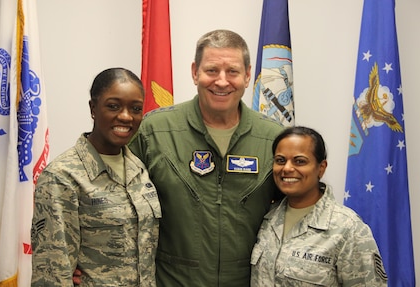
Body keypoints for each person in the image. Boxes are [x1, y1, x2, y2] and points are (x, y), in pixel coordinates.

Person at [128, 29, 284, 287]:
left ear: (247, 76)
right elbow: (114, 196)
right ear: (194, 72)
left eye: (232, 72)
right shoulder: (154, 130)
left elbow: (297, 209)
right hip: (173, 281)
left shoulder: (274, 138)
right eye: (212, 70)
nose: (222, 81)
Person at [31, 68, 161, 286]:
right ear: (93, 108)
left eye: (136, 108)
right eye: (113, 106)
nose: (126, 116)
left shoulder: (139, 169)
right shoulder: (62, 176)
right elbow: (52, 273)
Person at [250, 126, 388, 286]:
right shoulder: (267, 218)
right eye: (280, 160)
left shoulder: (348, 229)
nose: (287, 168)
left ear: (321, 168)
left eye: (299, 161)